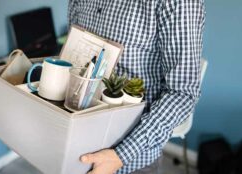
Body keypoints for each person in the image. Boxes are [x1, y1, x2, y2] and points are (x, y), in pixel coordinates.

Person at [68, 0, 205, 173]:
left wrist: (121, 155)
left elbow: (183, 92)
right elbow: (73, 55)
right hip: (75, 142)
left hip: (128, 157)